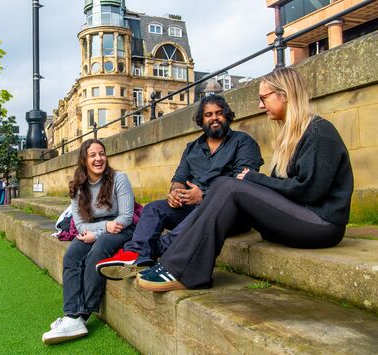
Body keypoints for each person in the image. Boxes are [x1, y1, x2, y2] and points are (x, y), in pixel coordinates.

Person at [137, 67, 354, 292]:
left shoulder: (319, 132)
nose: (260, 105)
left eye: (264, 98)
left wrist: (255, 179)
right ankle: (169, 257)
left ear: (286, 95)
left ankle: (181, 269)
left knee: (231, 186)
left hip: (322, 225)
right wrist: (255, 182)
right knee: (224, 184)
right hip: (297, 218)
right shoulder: (290, 136)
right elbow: (279, 190)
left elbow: (308, 192)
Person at [95, 94, 263, 280]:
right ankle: (134, 254)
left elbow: (242, 184)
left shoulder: (243, 142)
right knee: (153, 208)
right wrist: (174, 193)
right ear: (201, 120)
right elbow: (179, 179)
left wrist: (204, 196)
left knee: (198, 214)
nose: (214, 117)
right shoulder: (192, 148)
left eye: (219, 113)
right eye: (208, 114)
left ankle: (152, 251)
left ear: (227, 116)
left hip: (228, 213)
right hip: (192, 208)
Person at [42, 139, 135, 344]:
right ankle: (71, 315)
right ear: (84, 160)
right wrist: (101, 230)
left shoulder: (119, 178)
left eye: (101, 153)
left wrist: (102, 232)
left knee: (97, 252)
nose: (98, 158)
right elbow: (81, 226)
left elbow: (126, 217)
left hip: (121, 228)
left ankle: (81, 315)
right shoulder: (77, 187)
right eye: (93, 155)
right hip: (94, 228)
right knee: (72, 256)